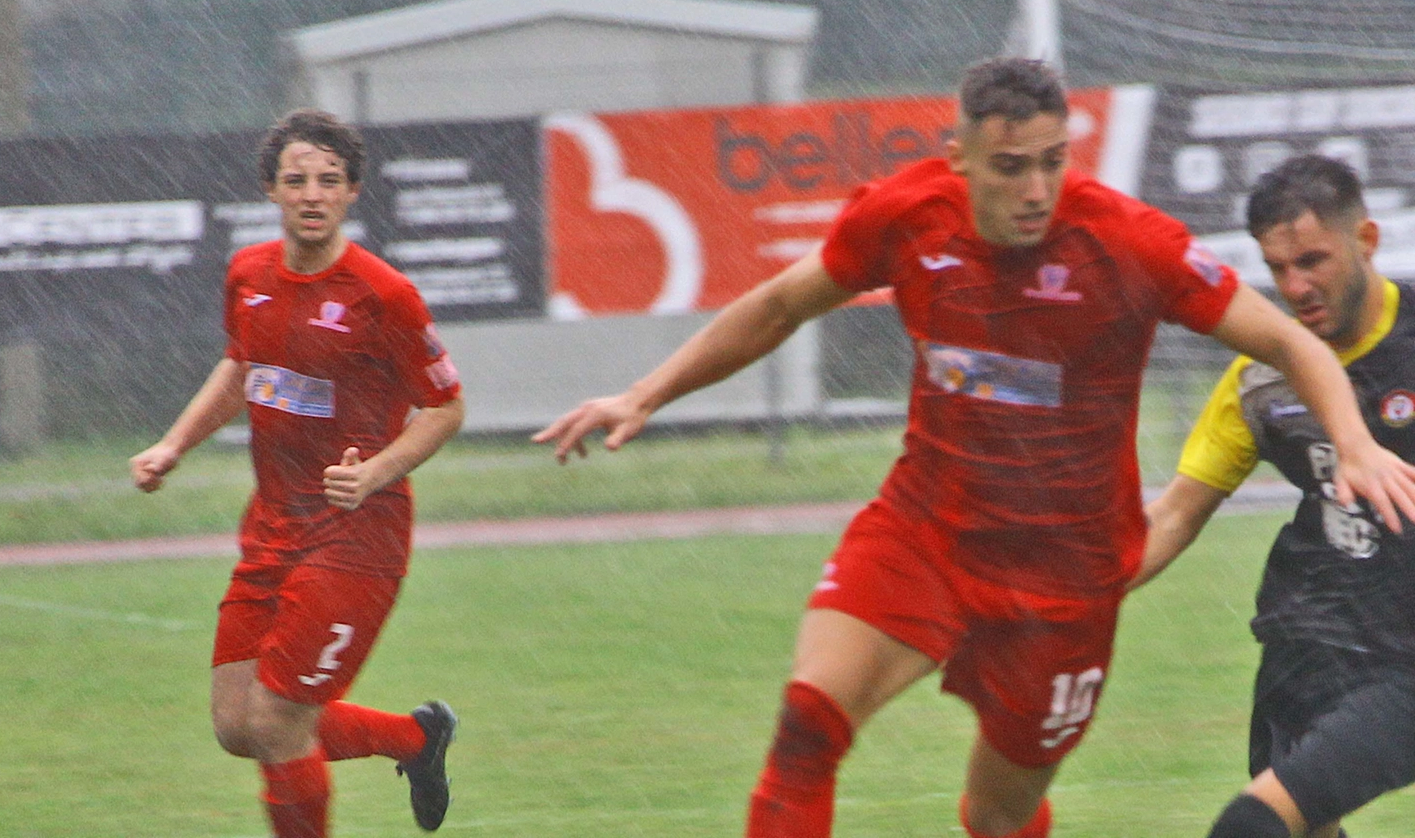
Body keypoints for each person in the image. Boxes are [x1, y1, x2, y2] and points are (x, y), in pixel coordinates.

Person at [533, 59, 1415, 838]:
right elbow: (777, 306)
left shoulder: (1129, 242)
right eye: (1010, 167)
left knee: (998, 816)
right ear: (959, 158)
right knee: (807, 723)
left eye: (1052, 161)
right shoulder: (907, 217)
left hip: (1063, 578)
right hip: (927, 529)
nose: (1037, 189)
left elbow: (1293, 346)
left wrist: (1354, 444)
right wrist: (644, 391)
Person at [129, 109, 465, 838]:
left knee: (280, 722)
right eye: (296, 180)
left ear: (351, 193)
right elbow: (241, 369)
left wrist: (377, 470)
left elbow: (445, 406)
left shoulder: (385, 295)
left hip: (356, 538)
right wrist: (173, 445)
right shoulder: (247, 274)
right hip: (273, 529)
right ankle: (415, 738)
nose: (312, 193)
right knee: (237, 722)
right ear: (271, 192)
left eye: (329, 180)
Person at [1138, 155, 1415, 838]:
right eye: (1279, 268)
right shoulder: (1260, 380)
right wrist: (1062, 598)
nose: (1297, 286)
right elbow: (1173, 513)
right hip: (1311, 640)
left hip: (1407, 659)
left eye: (1314, 260)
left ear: (1368, 241)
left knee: (1250, 827)